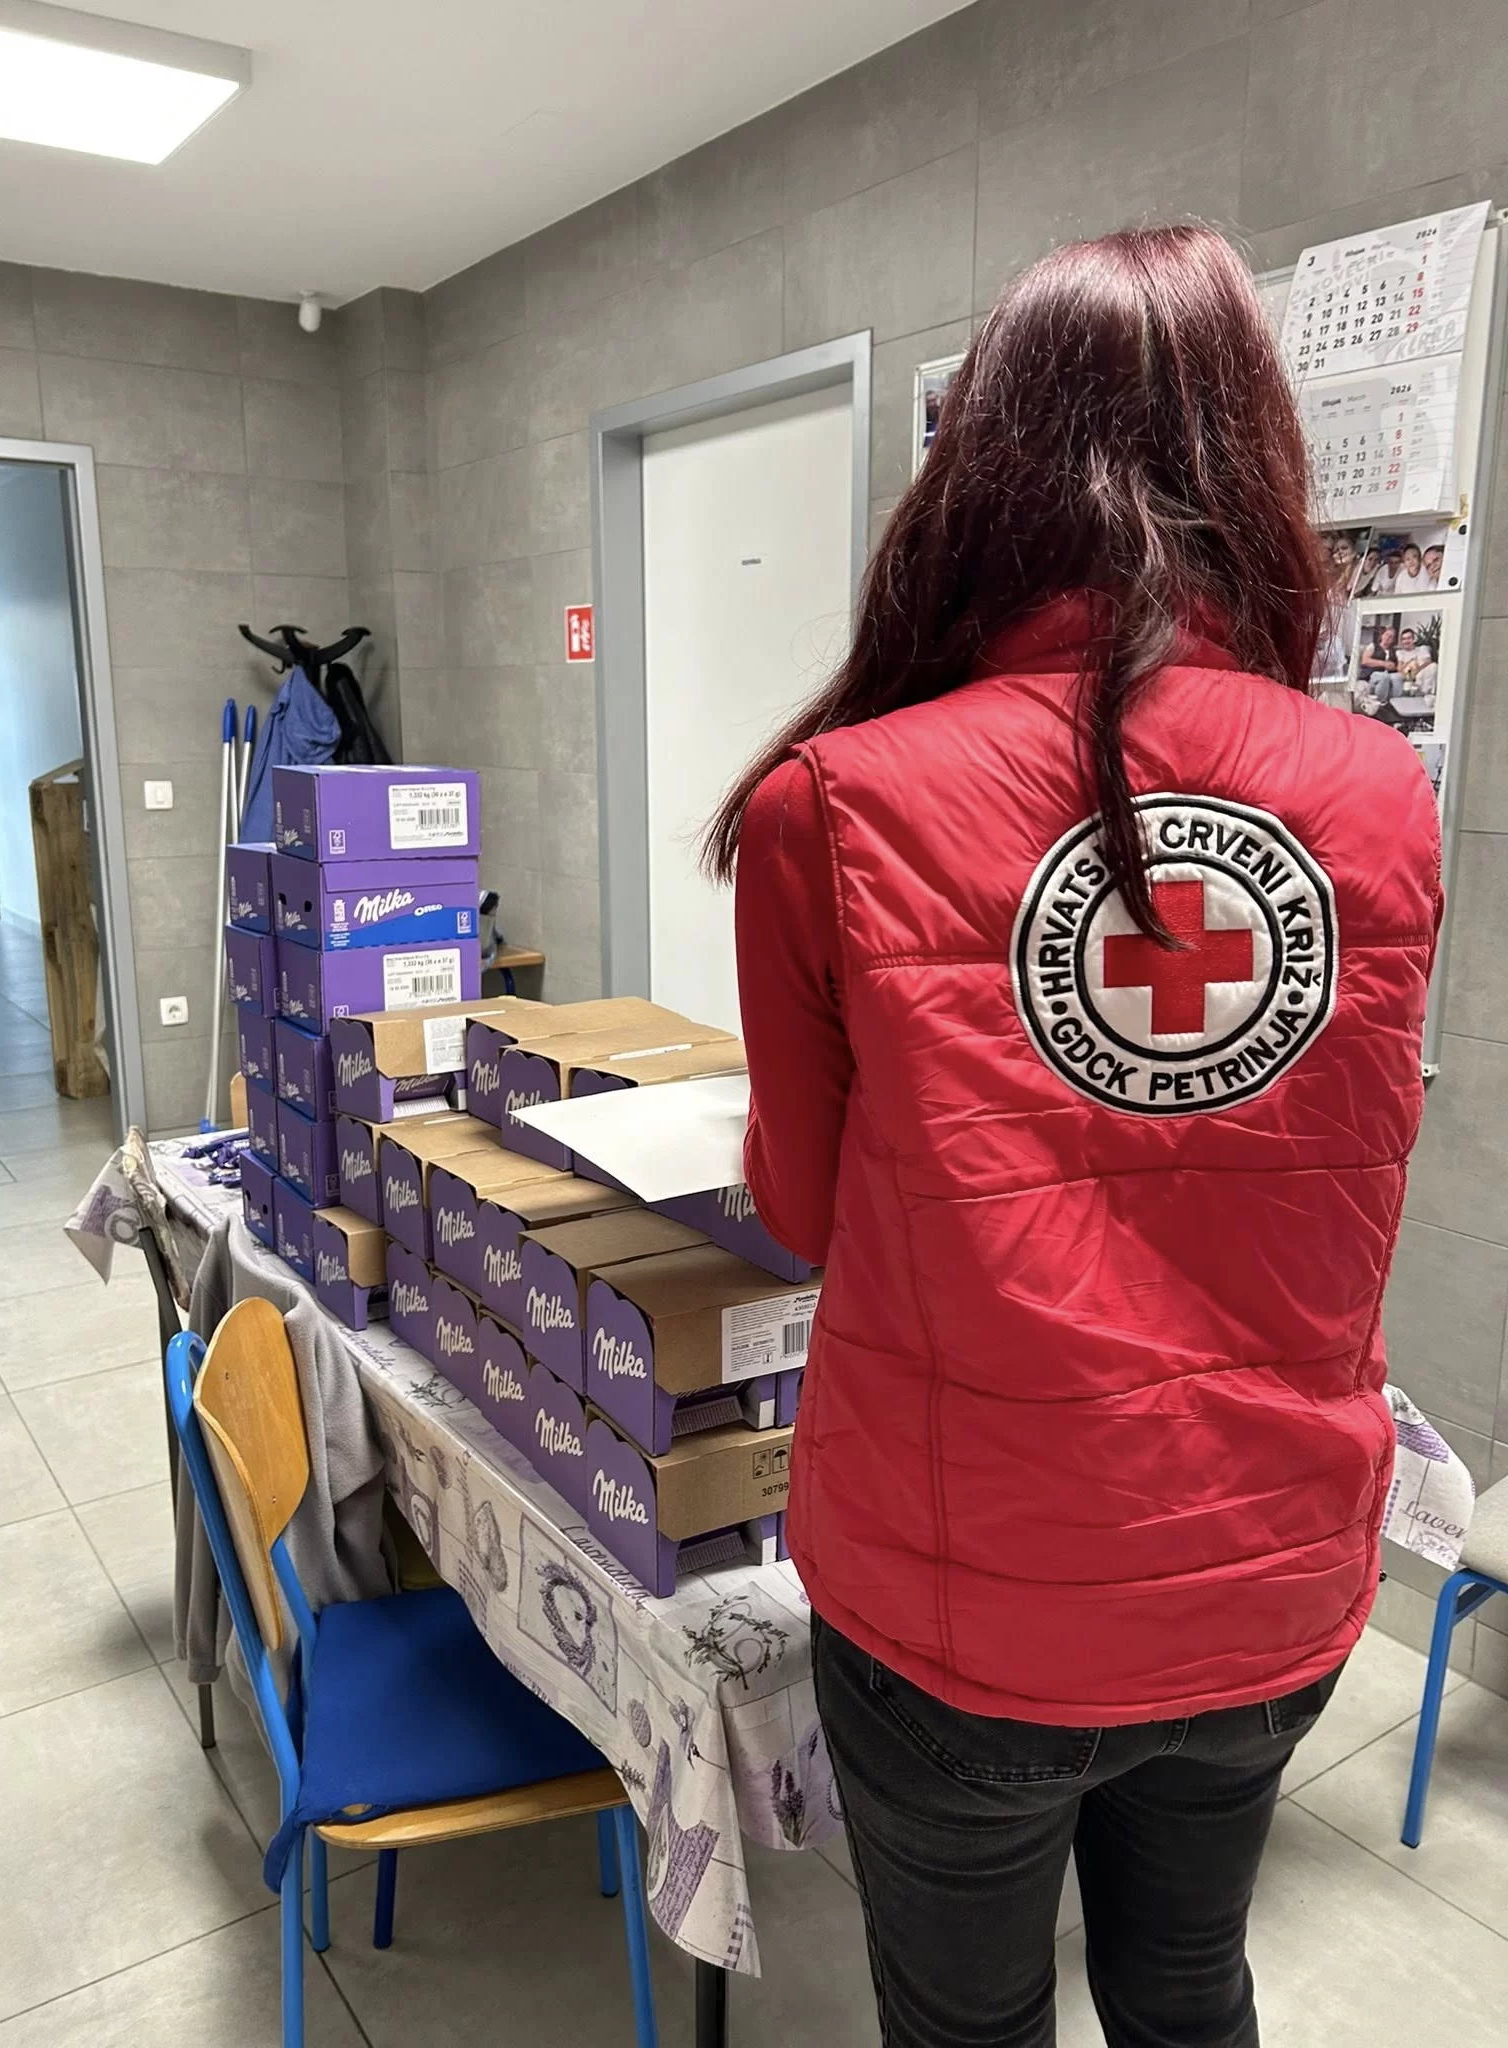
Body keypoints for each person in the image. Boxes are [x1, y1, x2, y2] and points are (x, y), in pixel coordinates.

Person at [710, 224, 1441, 2048]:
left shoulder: (835, 804)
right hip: (1270, 1569)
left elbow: (803, 1216)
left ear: (978, 468)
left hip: (964, 1603)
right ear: (1257, 458)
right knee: (1190, 1989)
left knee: (967, 2025)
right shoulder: (1380, 795)